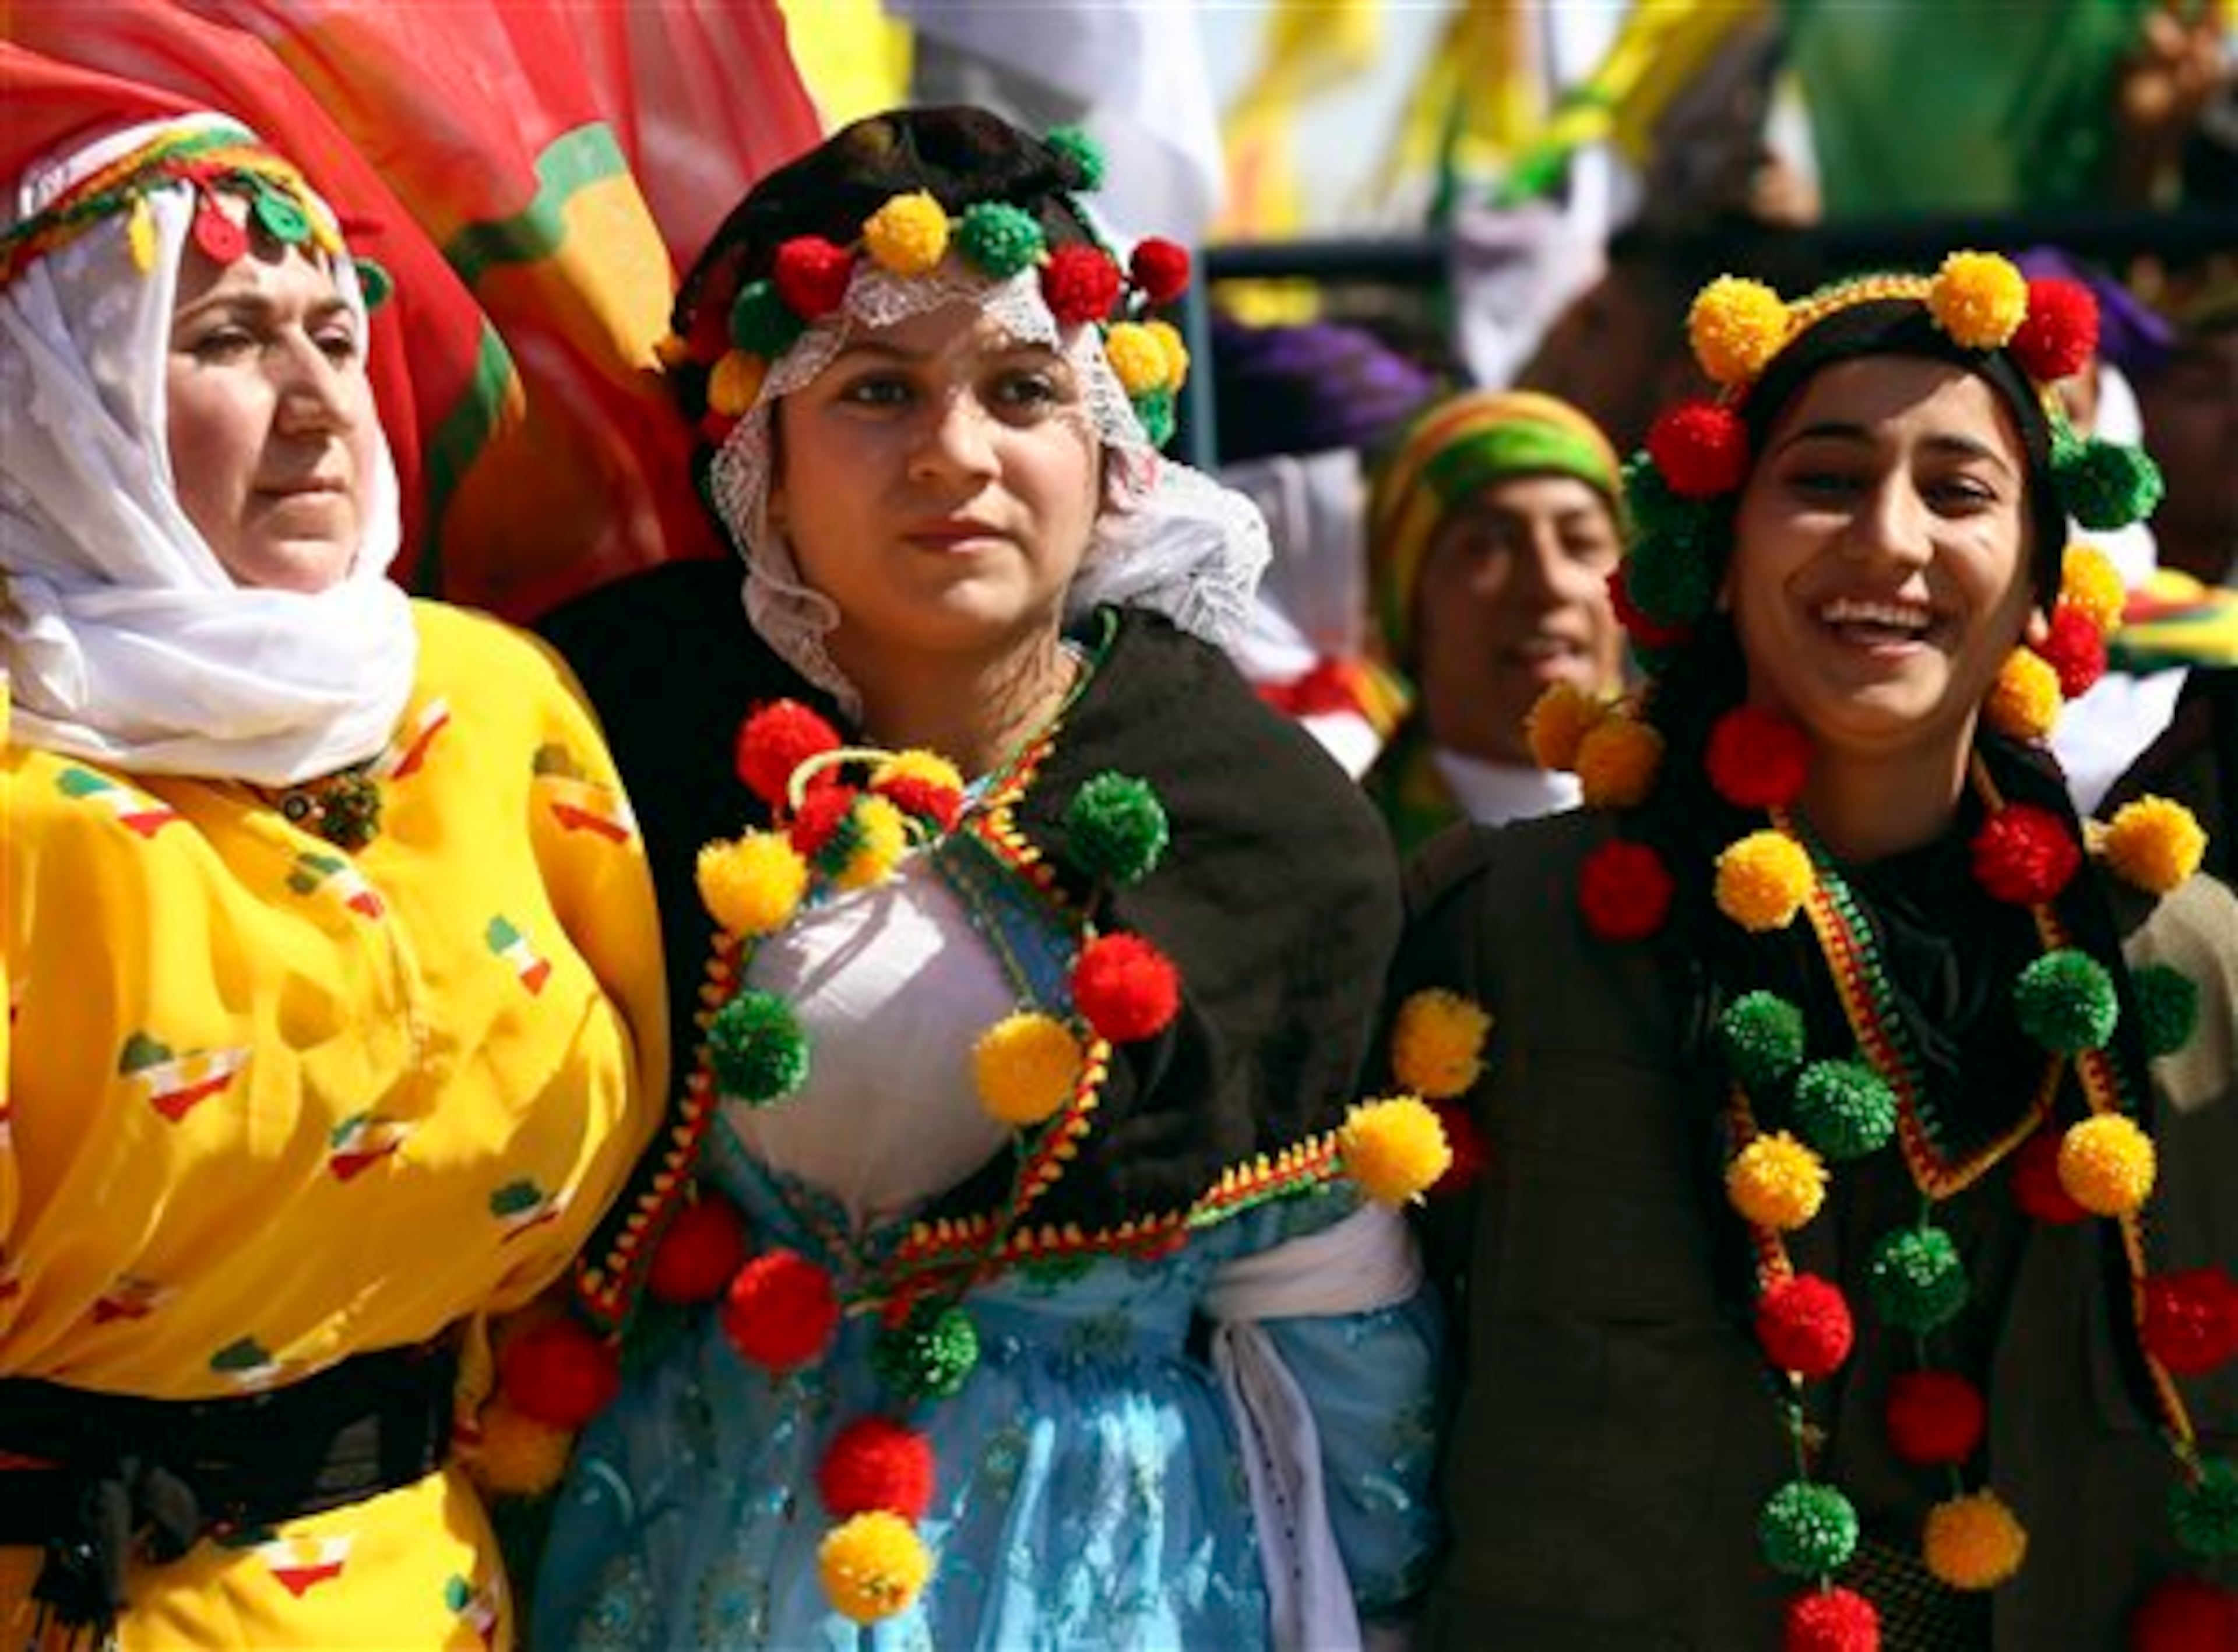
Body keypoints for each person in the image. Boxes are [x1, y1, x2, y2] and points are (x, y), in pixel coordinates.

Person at [526, 107, 1444, 1650]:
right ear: (764, 455)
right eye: (879, 392)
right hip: (675, 1548)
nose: (955, 452)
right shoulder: (609, 737)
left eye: (1021, 392)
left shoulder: (1268, 827)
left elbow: (1340, 1322)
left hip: (1095, 1572)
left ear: (1105, 451)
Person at [1387, 252, 2238, 1647]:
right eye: (1825, 481)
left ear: (2041, 578)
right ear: (1717, 549)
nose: (1888, 541)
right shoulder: (1509, 930)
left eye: (1958, 493)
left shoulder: (2174, 956)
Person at [0, 114, 666, 1647]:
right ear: (55, 401)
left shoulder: (496, 709)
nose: (316, 406)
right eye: (228, 339)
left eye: (337, 338)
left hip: (432, 1595)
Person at [1362, 388, 1630, 853]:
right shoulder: (1346, 859)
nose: (1548, 584)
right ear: (1407, 598)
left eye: (1579, 540)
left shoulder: (1711, 829)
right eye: (1488, 546)